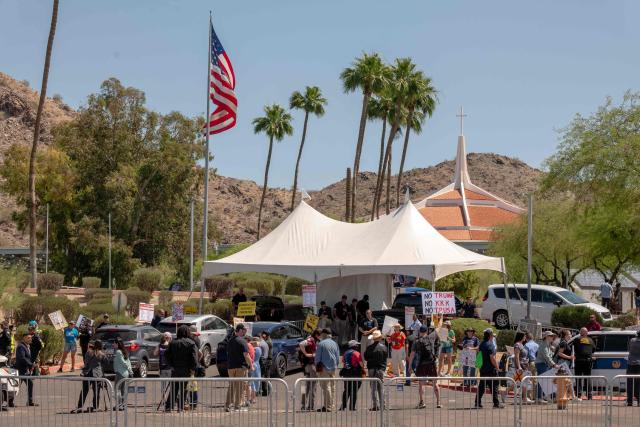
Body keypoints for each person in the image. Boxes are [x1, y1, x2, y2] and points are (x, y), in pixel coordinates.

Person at [165, 325, 199, 412]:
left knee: (173, 388)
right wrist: (193, 368)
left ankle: (169, 407)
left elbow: (167, 355)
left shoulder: (173, 343)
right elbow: (194, 358)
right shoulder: (191, 343)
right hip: (186, 369)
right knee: (184, 389)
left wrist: (171, 365)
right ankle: (180, 408)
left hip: (175, 369)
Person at [409, 325, 441, 409]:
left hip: (421, 364)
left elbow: (412, 354)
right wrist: (440, 317)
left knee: (421, 384)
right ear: (427, 331)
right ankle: (438, 402)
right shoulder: (431, 337)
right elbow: (439, 327)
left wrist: (410, 366)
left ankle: (422, 402)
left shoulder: (416, 341)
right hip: (431, 363)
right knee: (435, 383)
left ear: (420, 332)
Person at [224, 324, 253, 412]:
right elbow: (246, 355)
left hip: (230, 367)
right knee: (240, 386)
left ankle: (228, 405)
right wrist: (251, 366)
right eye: (244, 330)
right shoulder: (242, 341)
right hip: (240, 367)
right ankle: (237, 405)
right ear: (240, 330)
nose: (245, 332)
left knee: (232, 386)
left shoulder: (230, 341)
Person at [72, 340, 107, 413]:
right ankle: (95, 406)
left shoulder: (88, 352)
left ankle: (80, 406)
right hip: (97, 374)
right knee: (96, 391)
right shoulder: (101, 354)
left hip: (87, 373)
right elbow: (106, 362)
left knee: (84, 391)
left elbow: (86, 362)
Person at [475, 328, 503, 409]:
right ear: (490, 336)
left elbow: (478, 354)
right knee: (494, 386)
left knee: (481, 386)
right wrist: (497, 367)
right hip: (491, 369)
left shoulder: (482, 344)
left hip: (483, 368)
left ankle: (477, 402)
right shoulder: (490, 345)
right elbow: (492, 358)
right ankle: (496, 403)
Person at [314, 328, 340, 412]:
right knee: (332, 387)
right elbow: (337, 357)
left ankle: (327, 406)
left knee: (326, 387)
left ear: (324, 334)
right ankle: (331, 405)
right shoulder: (335, 344)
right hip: (333, 368)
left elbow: (317, 358)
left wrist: (317, 367)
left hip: (324, 368)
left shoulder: (321, 344)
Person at [364, 330, 387, 411]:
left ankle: (375, 405)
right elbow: (385, 358)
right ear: (380, 338)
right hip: (381, 369)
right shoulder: (384, 347)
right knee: (381, 387)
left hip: (372, 369)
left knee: (373, 388)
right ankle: (383, 404)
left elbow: (366, 358)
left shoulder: (369, 348)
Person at [535, 331, 559, 403]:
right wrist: (554, 364)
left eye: (552, 336)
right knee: (542, 380)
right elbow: (547, 357)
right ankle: (539, 398)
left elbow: (549, 356)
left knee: (545, 380)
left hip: (544, 364)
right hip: (541, 364)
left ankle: (542, 397)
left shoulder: (547, 345)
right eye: (551, 336)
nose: (552, 337)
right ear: (546, 337)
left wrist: (553, 351)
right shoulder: (544, 345)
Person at [572, 327, 595, 400]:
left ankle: (578, 394)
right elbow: (593, 349)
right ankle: (589, 395)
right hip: (588, 361)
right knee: (588, 378)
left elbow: (573, 348)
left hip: (579, 361)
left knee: (578, 378)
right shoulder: (591, 340)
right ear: (587, 333)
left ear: (580, 333)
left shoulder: (577, 339)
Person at [299, 329, 319, 411]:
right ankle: (310, 406)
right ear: (317, 334)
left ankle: (303, 405)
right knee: (313, 386)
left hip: (306, 366)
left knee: (305, 386)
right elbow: (301, 344)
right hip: (312, 365)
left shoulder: (310, 339)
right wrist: (307, 354)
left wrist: (305, 354)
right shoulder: (311, 340)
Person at [339, 340, 363, 411]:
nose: (358, 346)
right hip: (355, 373)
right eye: (357, 345)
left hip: (346, 373)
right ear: (354, 346)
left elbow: (343, 362)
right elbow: (361, 364)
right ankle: (352, 407)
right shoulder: (356, 353)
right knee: (354, 391)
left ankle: (343, 406)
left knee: (346, 390)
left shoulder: (345, 353)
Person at [15, 333, 37, 406]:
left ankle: (30, 401)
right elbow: (22, 358)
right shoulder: (21, 346)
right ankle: (10, 401)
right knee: (17, 386)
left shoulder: (27, 346)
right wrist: (31, 364)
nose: (30, 339)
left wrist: (32, 363)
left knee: (30, 383)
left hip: (25, 370)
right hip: (20, 370)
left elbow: (27, 357)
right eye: (28, 338)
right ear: (24, 338)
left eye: (30, 338)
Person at [512, 332, 533, 403]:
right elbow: (517, 356)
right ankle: (524, 398)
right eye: (524, 336)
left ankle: (524, 398)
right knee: (522, 382)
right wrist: (519, 367)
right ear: (521, 337)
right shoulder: (517, 345)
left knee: (522, 382)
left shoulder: (521, 345)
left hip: (524, 365)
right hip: (521, 366)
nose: (525, 337)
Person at [113, 337, 132, 411]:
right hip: (125, 373)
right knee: (123, 390)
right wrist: (130, 371)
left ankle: (119, 405)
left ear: (117, 344)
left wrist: (128, 368)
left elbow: (123, 362)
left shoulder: (118, 352)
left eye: (114, 343)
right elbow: (128, 362)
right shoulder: (124, 351)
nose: (113, 344)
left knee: (117, 389)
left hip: (120, 373)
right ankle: (123, 405)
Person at [626, 331, 640, 406]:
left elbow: (629, 349)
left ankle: (630, 401)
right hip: (639, 364)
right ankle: (639, 401)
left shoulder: (632, 341)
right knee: (638, 383)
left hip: (631, 363)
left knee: (630, 383)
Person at [248, 338, 262, 405]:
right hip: (258, 365)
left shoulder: (253, 349)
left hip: (253, 365)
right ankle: (254, 398)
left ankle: (252, 398)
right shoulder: (259, 349)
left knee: (252, 382)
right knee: (257, 381)